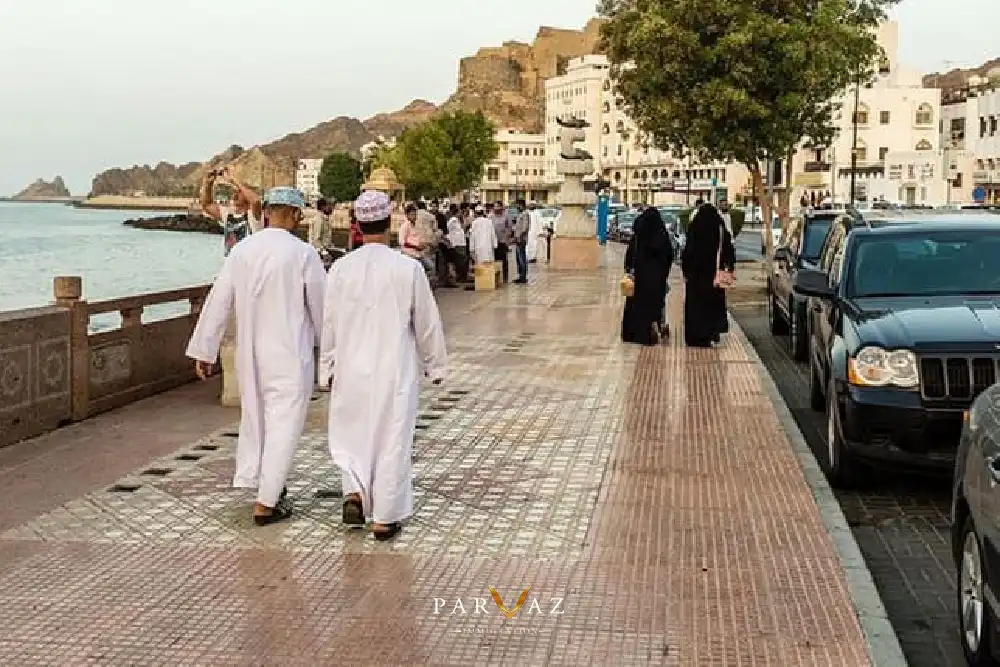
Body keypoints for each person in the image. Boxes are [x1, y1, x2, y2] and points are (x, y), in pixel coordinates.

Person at [186, 186, 325, 526]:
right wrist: (334, 354)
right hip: (289, 354)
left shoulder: (242, 251)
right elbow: (324, 310)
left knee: (256, 421)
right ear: (292, 215)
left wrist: (205, 350)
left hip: (251, 355)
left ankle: (265, 484)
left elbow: (218, 301)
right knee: (284, 424)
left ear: (266, 212)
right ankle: (266, 502)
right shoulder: (303, 254)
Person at [319, 190, 447, 541]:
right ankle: (384, 518)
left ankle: (355, 494)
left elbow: (328, 324)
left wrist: (326, 366)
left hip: (350, 368)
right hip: (394, 370)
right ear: (389, 222)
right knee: (392, 439)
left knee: (352, 435)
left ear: (357, 225)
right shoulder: (407, 268)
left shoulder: (341, 269)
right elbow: (427, 322)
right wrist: (435, 365)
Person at [621, 207, 674, 345]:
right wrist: (663, 273)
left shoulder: (638, 235)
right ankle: (656, 329)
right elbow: (669, 255)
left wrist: (629, 270)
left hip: (639, 277)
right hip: (657, 279)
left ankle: (634, 333)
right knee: (656, 305)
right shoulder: (661, 235)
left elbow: (630, 255)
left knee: (636, 306)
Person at [681, 203, 729, 347]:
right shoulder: (719, 228)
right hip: (713, 275)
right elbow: (727, 249)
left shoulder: (695, 227)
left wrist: (686, 271)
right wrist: (728, 266)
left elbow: (688, 251)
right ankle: (711, 333)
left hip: (696, 276)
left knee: (696, 306)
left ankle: (695, 336)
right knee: (712, 306)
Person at [199, 167, 263, 256]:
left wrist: (234, 181)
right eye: (234, 191)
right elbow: (207, 205)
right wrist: (208, 184)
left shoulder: (254, 217)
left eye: (239, 192)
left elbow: (255, 201)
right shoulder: (228, 215)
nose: (235, 194)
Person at [467, 204, 498, 290]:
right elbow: (493, 234)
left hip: (478, 247)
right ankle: (489, 282)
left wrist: (471, 249)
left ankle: (480, 283)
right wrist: (494, 245)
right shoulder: (489, 221)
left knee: (480, 265)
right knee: (488, 265)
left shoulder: (474, 223)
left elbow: (472, 236)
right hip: (488, 247)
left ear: (476, 213)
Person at [445, 204, 469, 283]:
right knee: (461, 260)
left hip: (460, 243)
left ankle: (462, 277)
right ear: (457, 212)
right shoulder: (453, 221)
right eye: (459, 212)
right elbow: (450, 231)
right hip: (457, 243)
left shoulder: (457, 220)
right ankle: (461, 277)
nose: (461, 213)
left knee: (462, 260)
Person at [489, 201, 511, 284]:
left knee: (504, 260)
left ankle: (505, 278)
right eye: (495, 207)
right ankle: (495, 278)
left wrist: (507, 239)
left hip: (502, 241)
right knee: (494, 260)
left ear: (501, 207)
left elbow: (509, 228)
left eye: (498, 206)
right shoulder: (490, 216)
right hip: (493, 242)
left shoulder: (506, 216)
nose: (496, 208)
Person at [512, 199, 530, 284]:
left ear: (521, 205)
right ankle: (520, 276)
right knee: (518, 259)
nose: (516, 207)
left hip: (521, 239)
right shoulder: (520, 214)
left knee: (522, 258)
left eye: (517, 205)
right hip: (518, 239)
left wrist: (519, 236)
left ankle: (523, 277)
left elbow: (524, 228)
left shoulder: (525, 214)